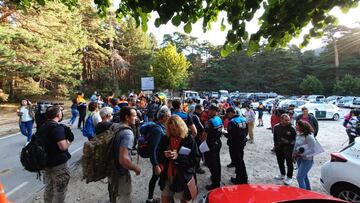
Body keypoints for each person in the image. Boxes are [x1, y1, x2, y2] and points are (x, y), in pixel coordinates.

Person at [158, 115, 199, 203]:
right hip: (167, 174)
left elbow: (196, 160)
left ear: (181, 126)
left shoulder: (189, 139)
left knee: (183, 199)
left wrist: (179, 157)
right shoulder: (166, 138)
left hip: (182, 176)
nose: (173, 132)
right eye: (171, 129)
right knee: (165, 198)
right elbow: (158, 155)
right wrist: (164, 155)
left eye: (175, 129)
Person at [108, 106, 141, 203]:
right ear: (127, 117)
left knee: (114, 196)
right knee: (123, 198)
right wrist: (135, 168)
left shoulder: (115, 126)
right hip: (121, 172)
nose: (136, 118)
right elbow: (123, 159)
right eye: (134, 116)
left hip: (112, 169)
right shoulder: (127, 133)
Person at [41, 106, 73, 203]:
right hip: (58, 165)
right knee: (60, 190)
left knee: (49, 187)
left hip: (46, 163)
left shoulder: (43, 126)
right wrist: (69, 142)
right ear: (58, 115)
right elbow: (63, 147)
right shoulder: (56, 128)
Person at [146, 108, 171, 203]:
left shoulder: (162, 127)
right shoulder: (157, 130)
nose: (169, 118)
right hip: (159, 160)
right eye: (168, 116)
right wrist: (156, 164)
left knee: (157, 178)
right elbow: (152, 149)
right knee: (156, 178)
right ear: (163, 117)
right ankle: (150, 199)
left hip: (162, 158)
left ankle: (151, 198)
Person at [225, 107, 248, 184]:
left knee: (237, 162)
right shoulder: (243, 119)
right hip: (242, 143)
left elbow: (231, 135)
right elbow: (246, 131)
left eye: (227, 114)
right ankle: (244, 177)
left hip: (235, 144)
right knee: (241, 160)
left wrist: (225, 133)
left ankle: (240, 179)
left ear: (230, 113)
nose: (227, 116)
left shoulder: (232, 122)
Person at [203, 104, 223, 190]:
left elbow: (205, 135)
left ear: (214, 111)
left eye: (210, 110)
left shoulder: (210, 121)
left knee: (211, 163)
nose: (208, 111)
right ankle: (217, 178)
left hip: (211, 144)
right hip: (217, 142)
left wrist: (203, 143)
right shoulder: (219, 119)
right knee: (217, 162)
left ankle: (215, 184)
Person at [273, 114, 297, 185]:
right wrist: (275, 145)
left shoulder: (292, 128)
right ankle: (282, 174)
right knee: (280, 162)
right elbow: (275, 137)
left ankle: (289, 177)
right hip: (279, 148)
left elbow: (296, 140)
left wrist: (288, 142)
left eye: (288, 120)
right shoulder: (276, 127)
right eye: (286, 120)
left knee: (289, 163)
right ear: (281, 119)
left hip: (288, 149)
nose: (288, 121)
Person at [293, 120, 316, 190]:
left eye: (297, 125)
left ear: (301, 127)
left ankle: (303, 195)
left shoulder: (309, 137)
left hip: (307, 160)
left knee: (299, 177)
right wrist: (294, 155)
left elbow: (313, 150)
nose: (295, 126)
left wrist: (301, 152)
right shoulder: (299, 134)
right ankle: (308, 191)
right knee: (304, 176)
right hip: (299, 158)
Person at [192, 104, 206, 174]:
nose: (202, 111)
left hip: (194, 136)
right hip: (197, 137)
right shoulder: (195, 117)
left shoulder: (193, 115)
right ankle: (197, 167)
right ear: (197, 109)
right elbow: (201, 128)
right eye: (201, 110)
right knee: (198, 152)